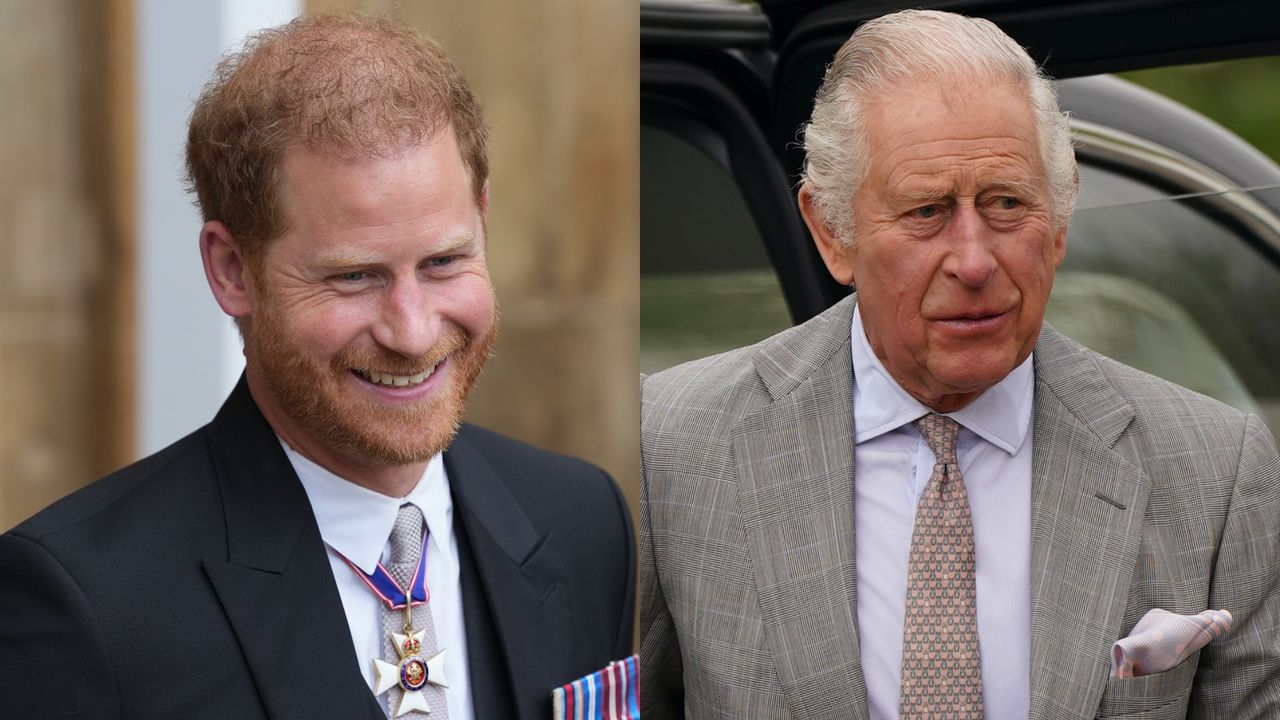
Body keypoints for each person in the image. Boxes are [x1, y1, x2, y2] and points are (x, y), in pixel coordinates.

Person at [639, 9, 1279, 720]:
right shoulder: (671, 449)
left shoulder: (1213, 470)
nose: (974, 261)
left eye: (1007, 203)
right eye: (926, 211)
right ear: (831, 232)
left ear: (1060, 220)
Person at [0, 15, 633, 720]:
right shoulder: (86, 604)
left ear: (483, 221)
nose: (412, 330)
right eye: (355, 276)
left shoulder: (584, 521)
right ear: (232, 269)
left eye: (444, 261)